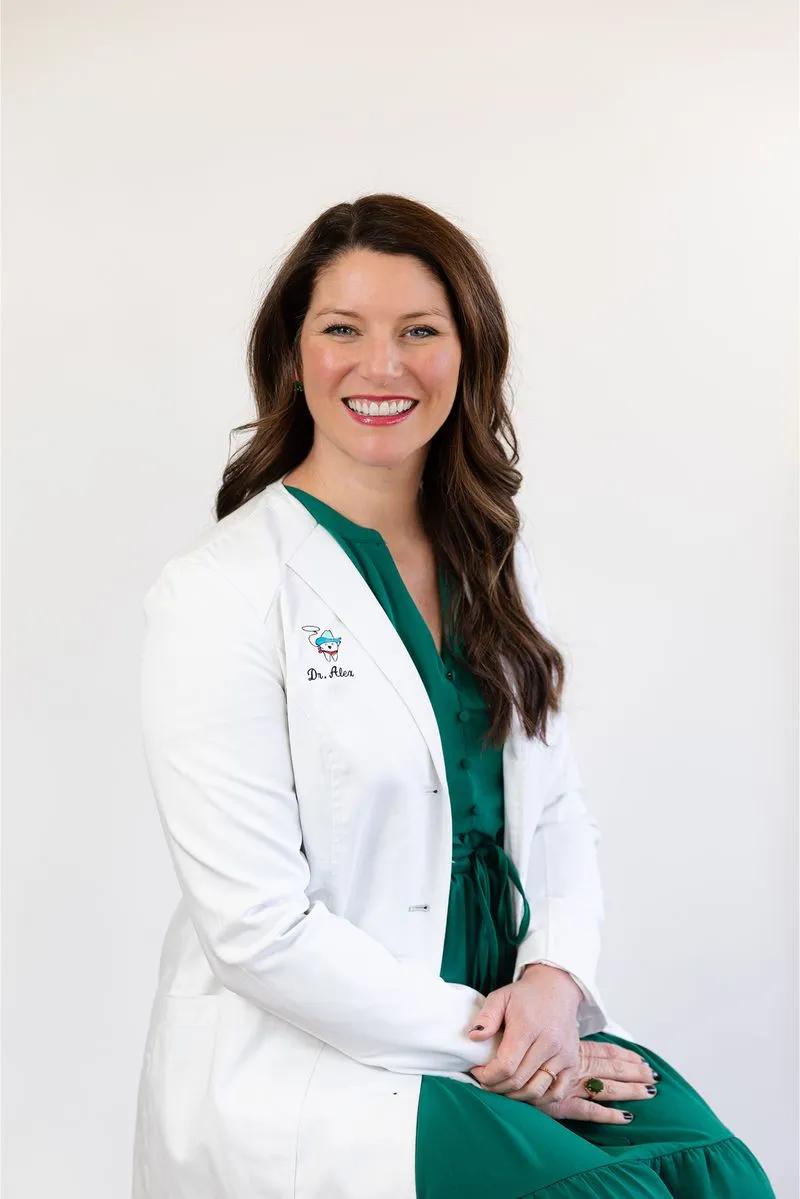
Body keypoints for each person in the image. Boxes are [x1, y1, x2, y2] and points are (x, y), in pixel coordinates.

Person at [132, 194, 775, 1198]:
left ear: (467, 352)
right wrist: (496, 1045)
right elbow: (257, 926)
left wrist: (555, 989)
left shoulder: (492, 564)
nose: (380, 366)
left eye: (418, 331)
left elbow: (555, 810)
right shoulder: (219, 591)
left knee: (713, 1172)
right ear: (292, 356)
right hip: (330, 1058)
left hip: (513, 1020)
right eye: (341, 329)